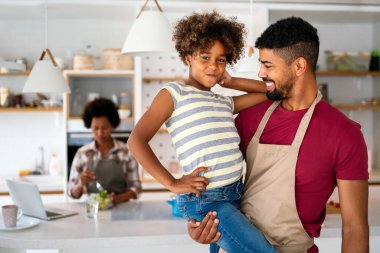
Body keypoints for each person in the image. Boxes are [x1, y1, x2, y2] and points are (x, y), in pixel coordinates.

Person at [187, 16, 369, 253]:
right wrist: (201, 224)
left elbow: (354, 227)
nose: (261, 73)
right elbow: (213, 181)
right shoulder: (250, 115)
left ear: (299, 66)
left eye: (268, 65)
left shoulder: (344, 134)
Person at [128, 11, 277, 253]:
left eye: (221, 60)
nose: (213, 66)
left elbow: (272, 92)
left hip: (234, 193)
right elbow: (136, 140)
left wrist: (233, 82)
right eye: (205, 57)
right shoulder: (174, 93)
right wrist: (172, 183)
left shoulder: (223, 101)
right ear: (188, 57)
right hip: (208, 199)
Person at [68, 97, 142, 206]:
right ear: (90, 127)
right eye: (95, 128)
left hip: (122, 210)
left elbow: (136, 188)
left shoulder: (126, 152)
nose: (100, 133)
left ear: (112, 125)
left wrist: (117, 199)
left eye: (105, 128)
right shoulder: (82, 153)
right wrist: (80, 183)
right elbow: (72, 194)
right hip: (93, 210)